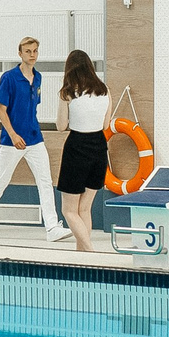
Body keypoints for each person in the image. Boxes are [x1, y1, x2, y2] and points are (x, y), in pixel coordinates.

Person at [0, 36, 66, 242]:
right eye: (28, 51)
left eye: (35, 51)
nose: (32, 55)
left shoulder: (38, 78)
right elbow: (1, 110)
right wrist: (12, 134)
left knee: (45, 181)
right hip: (12, 141)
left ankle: (52, 227)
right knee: (1, 181)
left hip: (35, 138)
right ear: (20, 53)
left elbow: (32, 107)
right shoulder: (9, 77)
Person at [53, 48, 114, 252]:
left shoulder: (68, 93)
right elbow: (106, 125)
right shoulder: (104, 90)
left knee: (69, 210)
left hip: (77, 146)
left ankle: (89, 250)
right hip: (98, 146)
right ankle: (83, 254)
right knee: (84, 208)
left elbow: (61, 126)